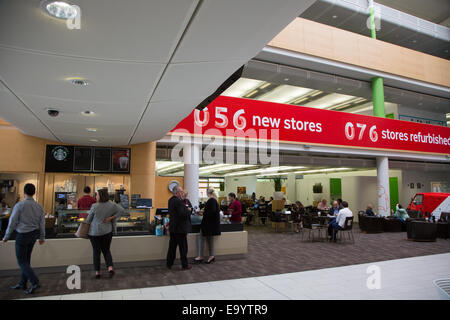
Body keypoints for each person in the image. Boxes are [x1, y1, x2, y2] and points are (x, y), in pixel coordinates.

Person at [2, 183, 45, 294]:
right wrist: (42, 237)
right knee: (26, 260)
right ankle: (22, 283)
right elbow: (42, 223)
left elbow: (12, 222)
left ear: (24, 192)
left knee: (22, 261)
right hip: (33, 235)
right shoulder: (39, 206)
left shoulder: (19, 205)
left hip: (22, 235)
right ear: (34, 192)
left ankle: (34, 281)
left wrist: (6, 236)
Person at [86, 188, 124, 279]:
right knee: (106, 250)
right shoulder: (112, 204)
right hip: (107, 231)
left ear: (100, 195)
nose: (95, 196)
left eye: (96, 195)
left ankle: (97, 272)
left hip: (94, 232)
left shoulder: (94, 206)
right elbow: (122, 210)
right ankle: (110, 268)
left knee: (96, 252)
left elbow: (88, 220)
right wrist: (111, 218)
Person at [166, 186, 192, 270]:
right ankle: (185, 265)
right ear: (176, 192)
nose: (182, 193)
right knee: (183, 248)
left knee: (172, 248)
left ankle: (169, 264)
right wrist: (188, 211)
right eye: (180, 191)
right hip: (180, 229)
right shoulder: (179, 201)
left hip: (173, 228)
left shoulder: (170, 200)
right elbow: (182, 214)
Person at [194, 188, 221, 264]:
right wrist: (204, 212)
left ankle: (201, 256)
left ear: (207, 193)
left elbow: (211, 212)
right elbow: (212, 211)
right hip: (211, 225)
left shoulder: (211, 200)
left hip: (208, 224)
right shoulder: (214, 200)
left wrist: (202, 213)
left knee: (201, 238)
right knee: (210, 240)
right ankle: (211, 256)